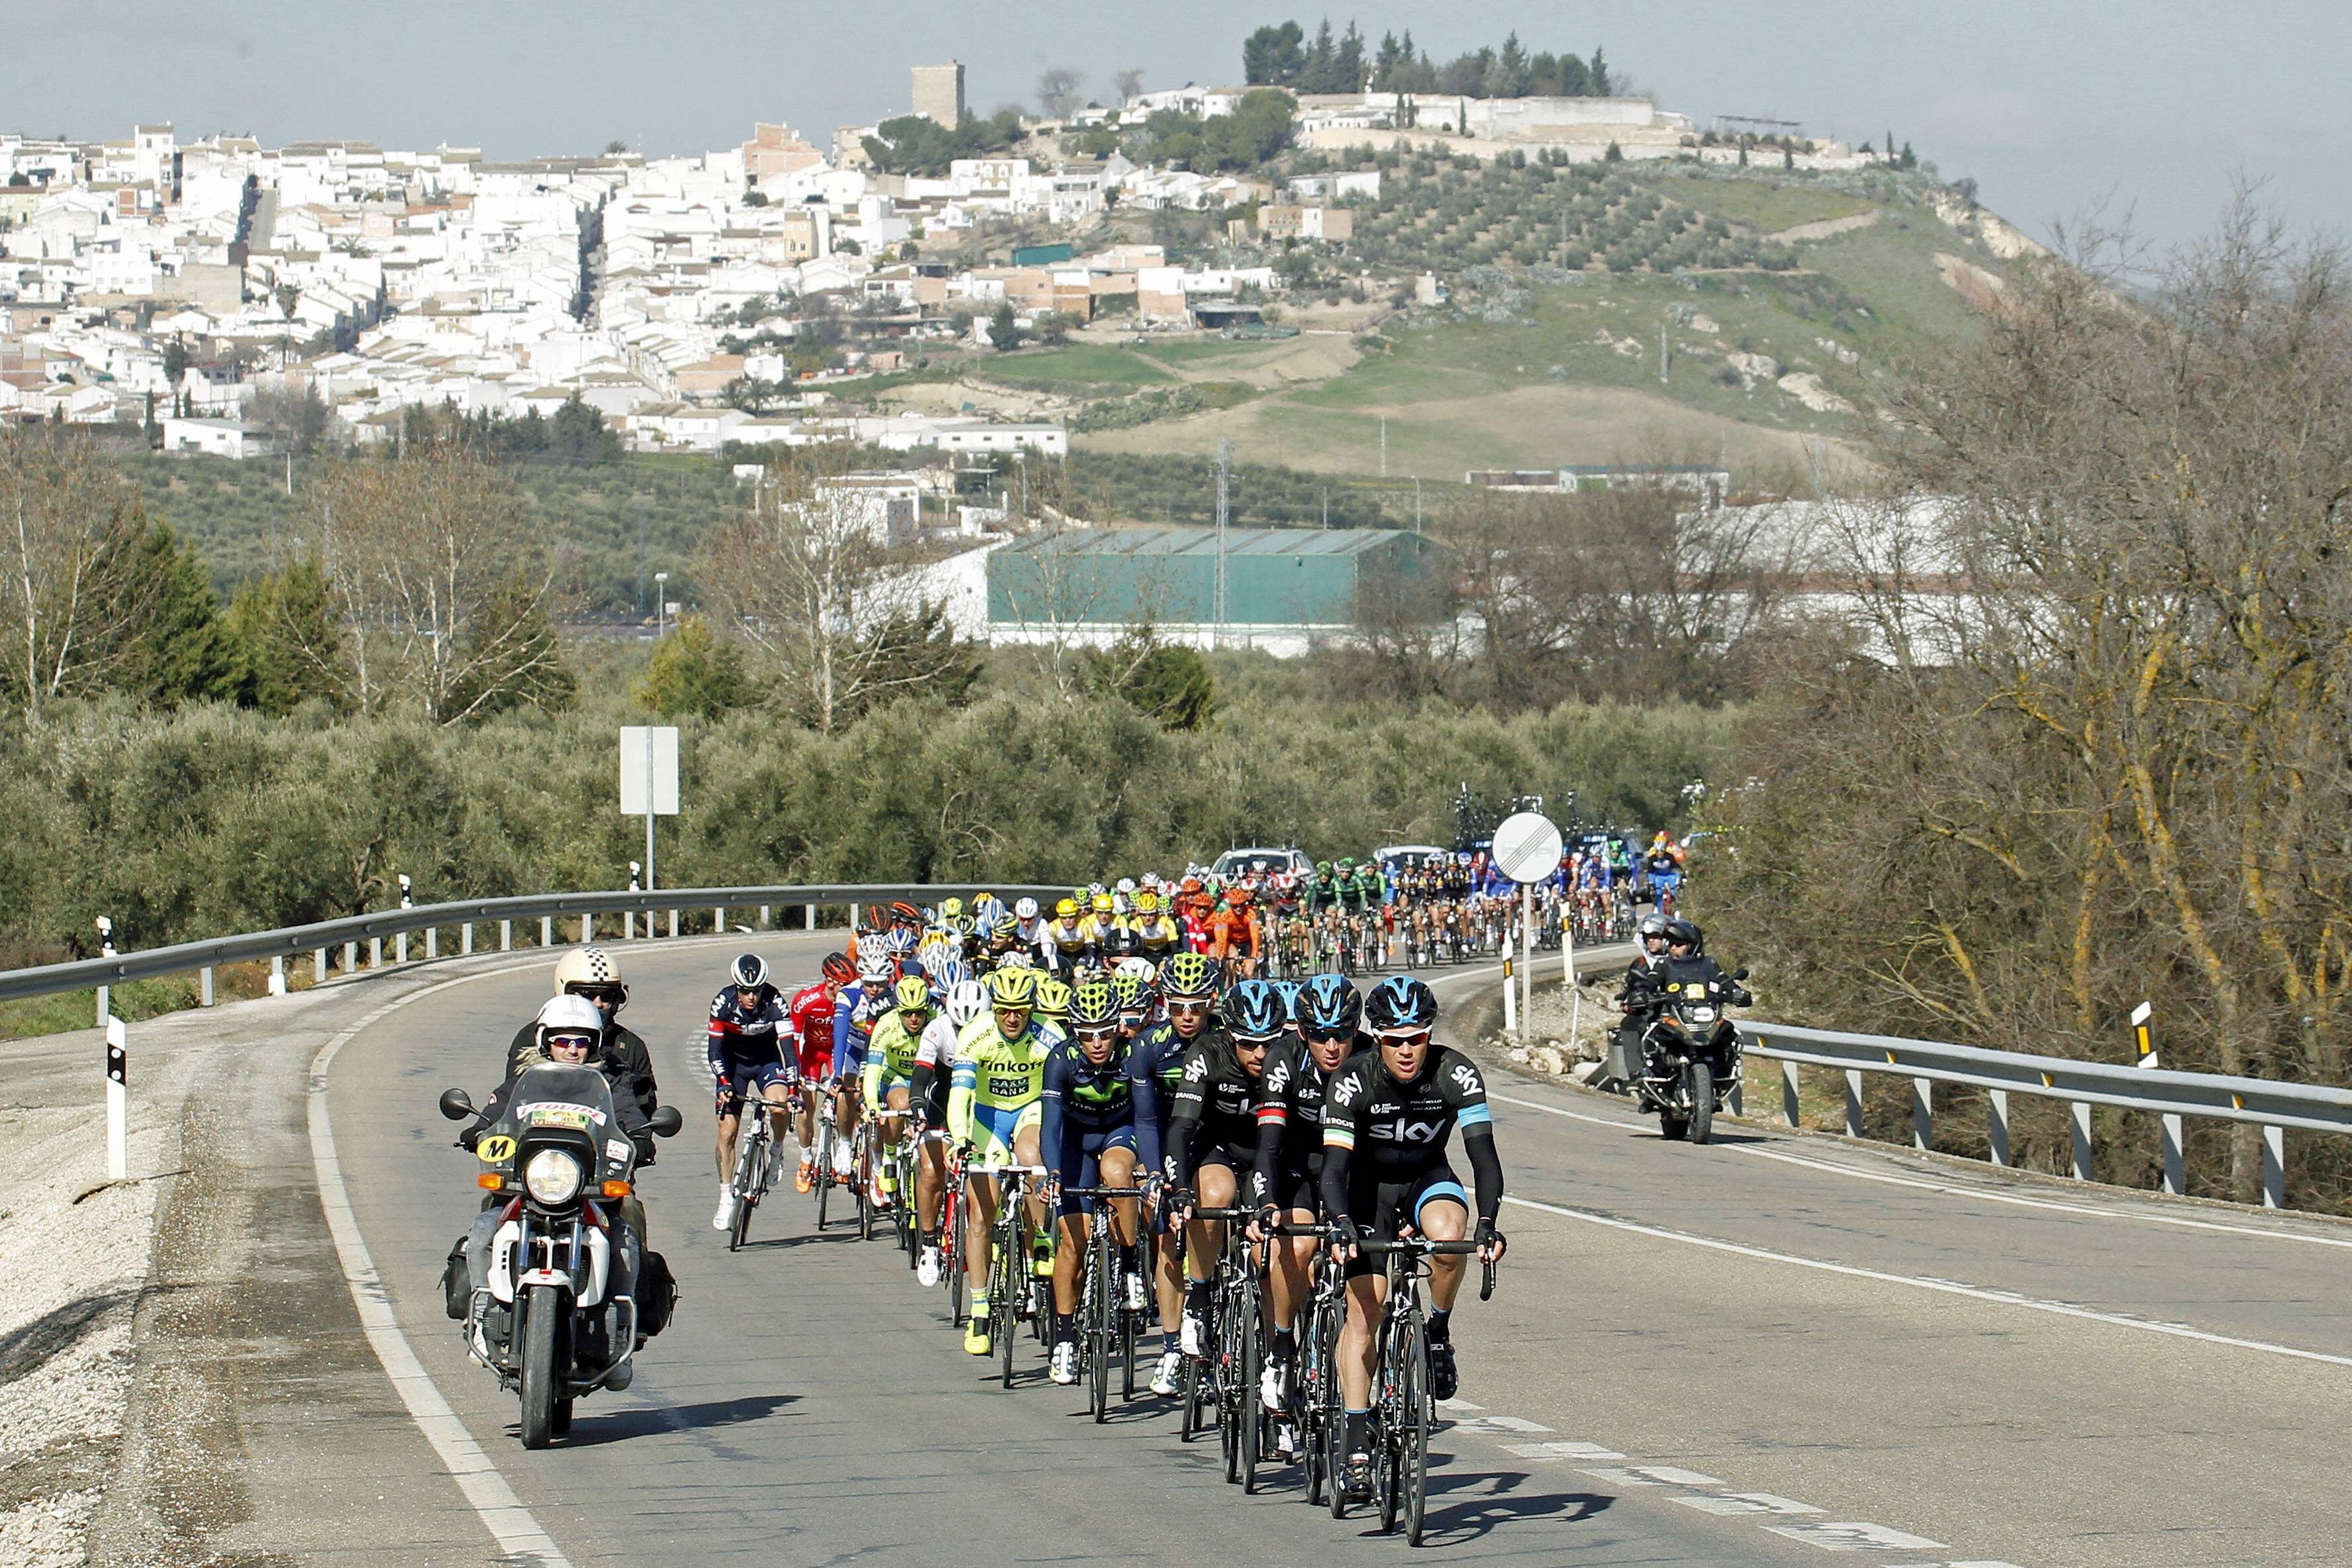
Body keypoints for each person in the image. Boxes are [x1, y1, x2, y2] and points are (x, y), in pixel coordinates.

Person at [1320, 976, 1506, 1501]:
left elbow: (1483, 1157)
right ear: (1376, 1038)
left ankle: (1438, 1331)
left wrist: (1488, 1222)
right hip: (1365, 1190)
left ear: (1430, 1034)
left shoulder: (1456, 1072)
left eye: (1417, 1038)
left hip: (1426, 1174)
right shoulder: (1353, 1078)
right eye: (1394, 1039)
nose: (1406, 1050)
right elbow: (1334, 1167)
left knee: (1450, 1237)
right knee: (1367, 1309)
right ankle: (1356, 1437)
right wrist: (1338, 1221)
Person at [451, 996, 666, 1336]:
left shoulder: (612, 1082)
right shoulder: (525, 1081)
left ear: (593, 1044)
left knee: (625, 1242)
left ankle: (624, 1326)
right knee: (482, 1232)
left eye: (581, 1042)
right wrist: (479, 1128)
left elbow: (629, 1114)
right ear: (546, 1043)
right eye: (563, 1041)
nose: (572, 1049)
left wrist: (640, 1138)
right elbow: (499, 1110)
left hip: (589, 1190)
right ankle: (480, 1317)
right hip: (530, 1185)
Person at [1249, 971, 1362, 1454]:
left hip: (1350, 1168)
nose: (1331, 1045)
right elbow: (1268, 1146)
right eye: (1319, 1034)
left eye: (1341, 1033)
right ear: (1302, 1033)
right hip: (1295, 1166)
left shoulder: (1370, 1060)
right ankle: (1280, 1344)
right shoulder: (1282, 1061)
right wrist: (1265, 1201)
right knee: (1298, 1243)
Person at [1154, 978, 1285, 1364]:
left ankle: (1276, 1354)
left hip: (1271, 1154)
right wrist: (1179, 1187)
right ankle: (1200, 1293)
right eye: (1248, 1043)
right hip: (1218, 1149)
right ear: (1230, 1035)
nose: (1261, 1053)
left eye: (1270, 1042)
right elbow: (1180, 1127)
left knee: (1274, 1258)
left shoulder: (1291, 1058)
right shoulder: (1206, 1053)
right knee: (1213, 1195)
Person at [947, 967, 1059, 1356]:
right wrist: (959, 1139)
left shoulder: (1050, 1035)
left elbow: (1059, 1095)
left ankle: (1040, 1238)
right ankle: (979, 1309)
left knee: (1031, 1154)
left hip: (1030, 1110)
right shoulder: (975, 1034)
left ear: (1032, 1010)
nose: (1013, 1018)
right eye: (1004, 1010)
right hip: (986, 1119)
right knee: (980, 1215)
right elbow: (959, 1096)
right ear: (994, 1008)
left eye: (1021, 1010)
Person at [1038, 980, 1144, 1385]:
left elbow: (1150, 1113)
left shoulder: (1133, 1055)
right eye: (1087, 1034)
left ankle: (1132, 1263)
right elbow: (1051, 1126)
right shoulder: (1061, 1060)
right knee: (1073, 1244)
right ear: (1074, 1033)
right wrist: (1052, 1172)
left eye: (1104, 1032)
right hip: (1076, 1140)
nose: (1097, 1042)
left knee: (1117, 1174)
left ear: (1118, 1027)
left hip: (1120, 1130)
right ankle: (1065, 1337)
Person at [1128, 949, 1219, 1395]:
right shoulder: (1147, 1046)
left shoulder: (1227, 1039)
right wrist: (1151, 1175)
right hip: (1167, 1140)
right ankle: (1168, 1347)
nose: (1186, 1016)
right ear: (1164, 1002)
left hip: (1216, 1143)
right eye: (1177, 1006)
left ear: (1211, 1002)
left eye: (1196, 1006)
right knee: (1166, 1239)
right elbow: (1145, 1120)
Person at [505, 947, 659, 1131]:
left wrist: (639, 1136)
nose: (598, 1003)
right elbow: (510, 1096)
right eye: (587, 994)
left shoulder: (630, 1046)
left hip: (603, 1147)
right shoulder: (532, 1036)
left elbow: (644, 1106)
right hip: (537, 1139)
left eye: (607, 995)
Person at [908, 976, 988, 1285]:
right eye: (959, 1027)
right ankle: (929, 1242)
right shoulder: (937, 1028)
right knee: (931, 1171)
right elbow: (921, 1074)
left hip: (980, 1105)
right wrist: (917, 1104)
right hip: (942, 1102)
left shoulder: (993, 1030)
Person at [707, 953, 795, 1232]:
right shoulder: (723, 1003)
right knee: (727, 1132)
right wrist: (723, 1082)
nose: (751, 997)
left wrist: (793, 1090)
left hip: (766, 1060)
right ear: (736, 988)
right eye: (745, 991)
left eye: (756, 991)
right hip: (734, 1065)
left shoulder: (775, 1002)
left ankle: (777, 1151)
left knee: (779, 1105)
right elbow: (715, 1051)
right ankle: (725, 1196)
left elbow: (789, 1051)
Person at [860, 974, 934, 1212]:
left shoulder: (936, 1021)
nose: (914, 1019)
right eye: (907, 1013)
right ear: (898, 1010)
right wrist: (872, 1103)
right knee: (901, 1103)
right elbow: (872, 1070)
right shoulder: (887, 1025)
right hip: (895, 1075)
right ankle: (890, 1157)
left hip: (926, 1077)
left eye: (919, 1013)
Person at [786, 953, 853, 1194]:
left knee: (847, 1094)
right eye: (842, 986)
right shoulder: (806, 1001)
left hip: (838, 1054)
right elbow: (793, 1039)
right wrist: (795, 1074)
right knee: (805, 1107)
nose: (846, 991)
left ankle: (845, 1146)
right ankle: (806, 1159)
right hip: (812, 1055)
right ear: (829, 981)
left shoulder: (852, 999)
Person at [1613, 913, 1674, 1076]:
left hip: (1678, 1009)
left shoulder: (1680, 961)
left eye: (1656, 936)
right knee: (1629, 1024)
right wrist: (1630, 1001)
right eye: (1648, 937)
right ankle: (1636, 1073)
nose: (1651, 941)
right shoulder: (1640, 964)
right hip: (1651, 1010)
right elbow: (1631, 987)